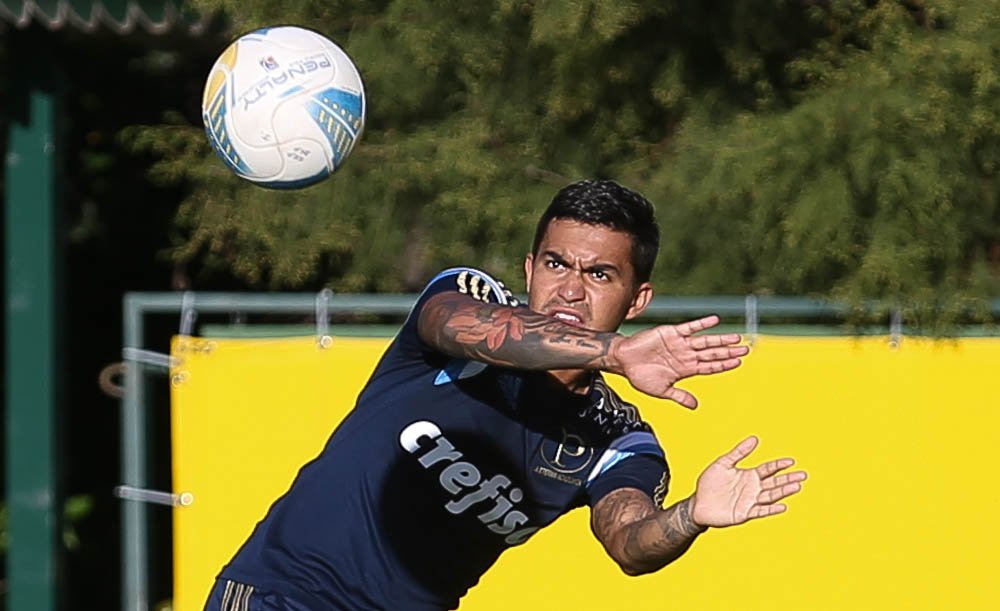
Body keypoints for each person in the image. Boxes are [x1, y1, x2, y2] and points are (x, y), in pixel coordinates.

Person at [205, 179, 806, 611]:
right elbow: (450, 321)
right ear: (528, 269)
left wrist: (691, 517)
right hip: (281, 595)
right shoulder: (469, 303)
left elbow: (629, 538)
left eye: (599, 274)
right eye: (556, 264)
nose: (570, 290)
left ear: (637, 299)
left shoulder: (616, 438)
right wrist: (615, 353)